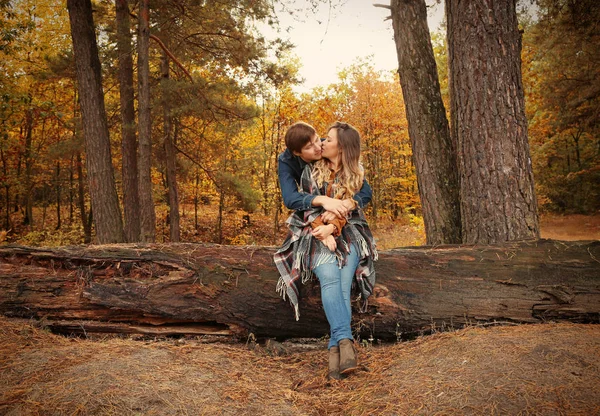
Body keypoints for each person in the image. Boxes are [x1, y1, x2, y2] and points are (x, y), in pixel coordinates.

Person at [274, 121, 377, 380]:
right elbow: (297, 202)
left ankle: (335, 349)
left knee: (343, 279)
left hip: (349, 231)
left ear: (341, 147)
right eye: (314, 144)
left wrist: (334, 226)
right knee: (330, 276)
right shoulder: (310, 170)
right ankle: (345, 343)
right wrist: (323, 226)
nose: (321, 145)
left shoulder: (356, 174)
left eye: (325, 140)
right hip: (314, 229)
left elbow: (356, 202)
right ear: (300, 152)